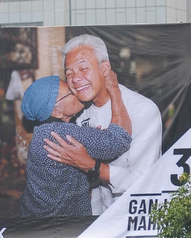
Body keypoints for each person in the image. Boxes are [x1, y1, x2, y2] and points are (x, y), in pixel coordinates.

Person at [44, 34, 162, 216]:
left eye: (83, 68)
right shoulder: (78, 112)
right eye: (69, 73)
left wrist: (92, 165)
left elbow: (142, 181)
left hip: (138, 219)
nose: (76, 79)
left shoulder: (142, 110)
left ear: (105, 68)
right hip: (99, 220)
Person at [18, 71, 132, 219]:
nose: (76, 91)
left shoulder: (43, 131)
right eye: (70, 92)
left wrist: (90, 139)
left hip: (31, 217)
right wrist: (114, 90)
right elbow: (119, 139)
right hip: (59, 229)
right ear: (56, 112)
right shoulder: (60, 134)